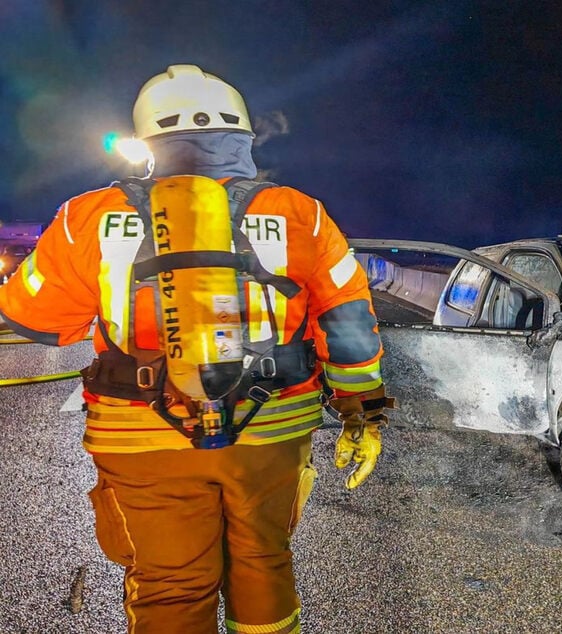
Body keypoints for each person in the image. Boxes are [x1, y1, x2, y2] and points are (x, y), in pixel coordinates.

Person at [0, 64, 393, 633]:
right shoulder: (298, 212)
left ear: (149, 140)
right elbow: (350, 322)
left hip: (139, 434)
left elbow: (30, 320)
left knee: (168, 583)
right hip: (271, 429)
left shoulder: (86, 217)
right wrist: (363, 412)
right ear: (242, 138)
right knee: (263, 562)